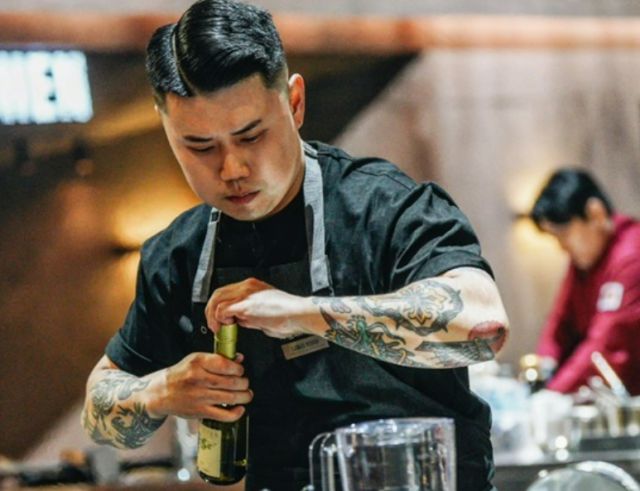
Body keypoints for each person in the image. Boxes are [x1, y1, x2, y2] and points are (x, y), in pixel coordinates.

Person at [81, 1, 509, 489]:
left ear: (295, 103)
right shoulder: (178, 255)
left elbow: (481, 326)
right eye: (200, 147)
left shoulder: (383, 207)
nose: (232, 169)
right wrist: (160, 391)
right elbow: (98, 409)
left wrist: (304, 313)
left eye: (251, 136)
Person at [530, 168, 640, 395]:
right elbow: (560, 321)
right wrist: (544, 366)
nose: (562, 246)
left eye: (563, 234)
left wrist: (554, 392)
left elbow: (607, 344)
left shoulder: (631, 255)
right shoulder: (585, 260)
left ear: (595, 213)